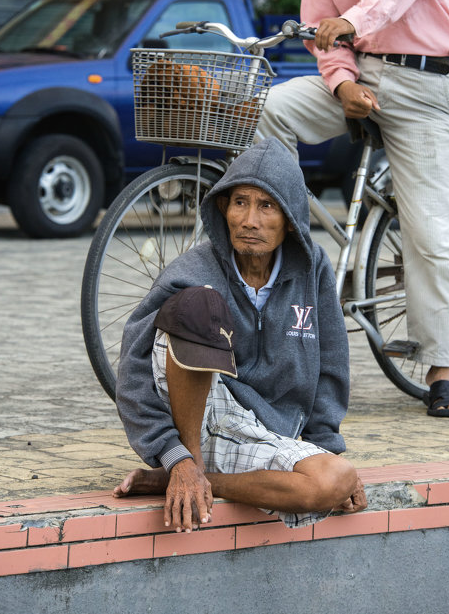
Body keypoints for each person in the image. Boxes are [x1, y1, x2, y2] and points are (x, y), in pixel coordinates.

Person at [256, 0, 449, 417]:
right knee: (271, 107)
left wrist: (351, 21)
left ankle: (441, 369)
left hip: (424, 87)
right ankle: (289, 237)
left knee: (428, 230)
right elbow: (325, 40)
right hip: (362, 80)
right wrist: (343, 82)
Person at [113, 137, 367, 532]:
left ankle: (194, 479)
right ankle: (187, 465)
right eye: (240, 202)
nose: (250, 220)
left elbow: (332, 361)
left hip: (258, 434)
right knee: (198, 305)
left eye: (266, 205)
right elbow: (132, 365)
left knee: (337, 478)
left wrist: (324, 447)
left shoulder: (313, 267)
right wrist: (173, 452)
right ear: (223, 207)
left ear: (290, 217)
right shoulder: (195, 268)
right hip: (196, 417)